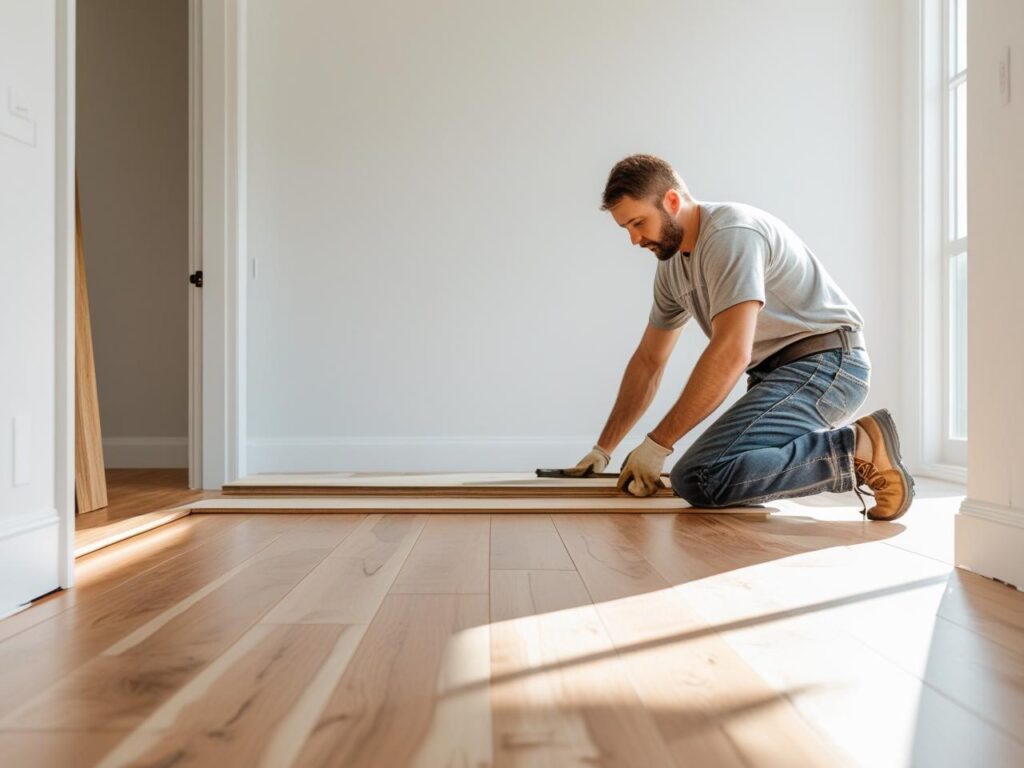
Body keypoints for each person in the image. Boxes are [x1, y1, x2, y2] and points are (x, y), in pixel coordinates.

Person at [564, 154, 914, 520]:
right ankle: (852, 449)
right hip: (776, 377)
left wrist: (657, 444)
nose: (635, 239)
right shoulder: (671, 270)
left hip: (826, 366)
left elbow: (731, 352)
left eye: (639, 223)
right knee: (716, 477)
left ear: (671, 200)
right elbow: (649, 361)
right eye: (626, 228)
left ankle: (856, 449)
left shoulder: (730, 235)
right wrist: (603, 449)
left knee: (699, 477)